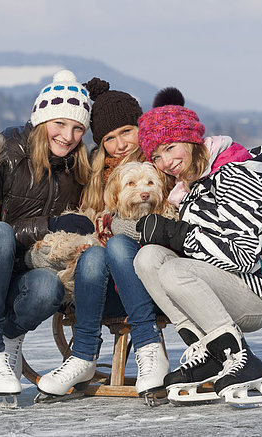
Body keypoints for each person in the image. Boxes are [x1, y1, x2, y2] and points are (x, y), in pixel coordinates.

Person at [0, 70, 95, 404]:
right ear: (40, 120)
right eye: (59, 124)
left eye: (77, 128)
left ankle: (10, 338)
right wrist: (50, 223)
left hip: (23, 280)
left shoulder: (78, 168)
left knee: (48, 287)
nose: (67, 136)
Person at [133, 87, 262, 406]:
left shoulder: (234, 174)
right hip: (221, 288)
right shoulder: (190, 185)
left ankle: (240, 358)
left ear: (190, 139)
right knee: (147, 259)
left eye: (170, 147)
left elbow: (243, 255)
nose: (166, 162)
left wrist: (177, 234)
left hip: (256, 294)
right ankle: (207, 352)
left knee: (174, 268)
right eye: (157, 156)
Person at [37, 78, 170, 403]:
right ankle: (82, 355)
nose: (120, 144)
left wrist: (114, 230)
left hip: (153, 286)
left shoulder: (162, 168)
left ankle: (148, 346)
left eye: (126, 131)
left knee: (117, 245)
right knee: (94, 256)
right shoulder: (95, 178)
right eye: (109, 138)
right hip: (100, 292)